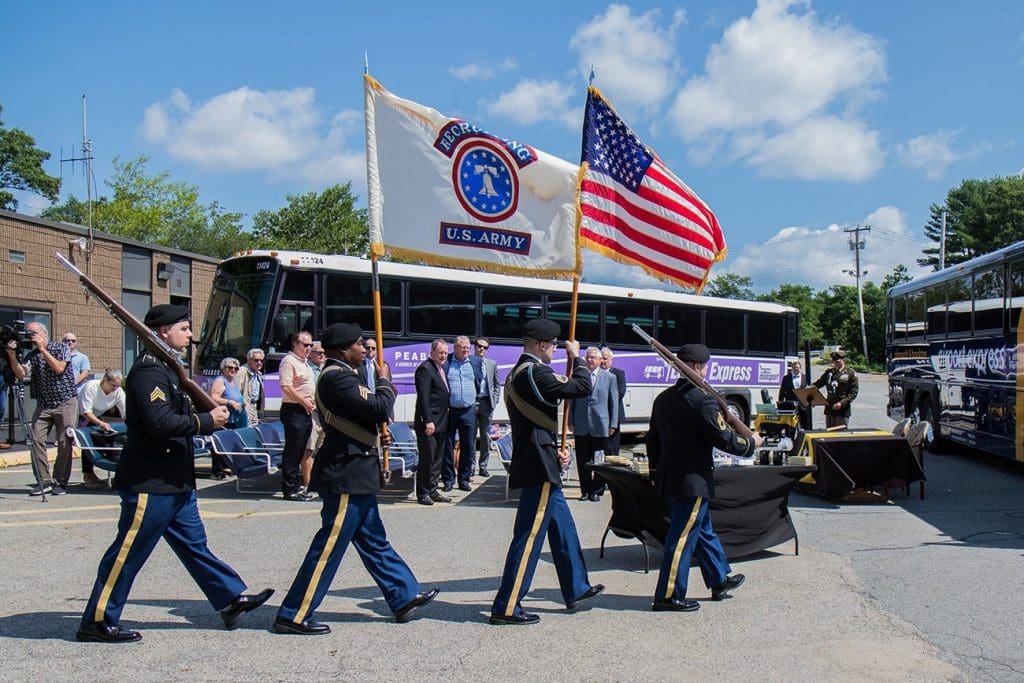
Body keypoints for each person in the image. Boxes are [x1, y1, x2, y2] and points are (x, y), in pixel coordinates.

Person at [77, 304, 273, 643]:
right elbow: (160, 423)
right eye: (184, 328)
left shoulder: (168, 369)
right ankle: (97, 619)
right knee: (128, 551)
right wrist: (206, 421)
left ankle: (228, 600)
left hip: (175, 480)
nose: (190, 334)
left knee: (195, 545)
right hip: (151, 480)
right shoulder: (149, 372)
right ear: (163, 331)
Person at [273, 323, 438, 635]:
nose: (365, 350)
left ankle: (402, 595)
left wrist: (374, 436)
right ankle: (294, 613)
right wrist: (386, 380)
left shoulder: (344, 375)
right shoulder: (338, 377)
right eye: (360, 345)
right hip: (344, 472)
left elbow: (361, 418)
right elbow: (379, 406)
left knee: (374, 540)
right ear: (343, 349)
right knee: (329, 545)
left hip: (355, 469)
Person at [490, 319, 603, 625]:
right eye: (554, 345)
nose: (556, 349)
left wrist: (555, 451)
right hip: (538, 462)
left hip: (540, 455)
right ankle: (507, 604)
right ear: (542, 346)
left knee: (562, 528)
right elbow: (582, 386)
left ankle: (576, 587)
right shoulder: (535, 371)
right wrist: (576, 357)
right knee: (528, 536)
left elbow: (539, 419)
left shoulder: (517, 372)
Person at [646, 343, 763, 613]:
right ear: (698, 367)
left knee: (703, 530)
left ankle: (719, 578)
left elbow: (653, 441)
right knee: (682, 539)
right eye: (705, 366)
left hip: (671, 478)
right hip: (692, 480)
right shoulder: (702, 399)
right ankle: (668, 594)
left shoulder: (663, 398)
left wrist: (655, 473)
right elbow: (721, 438)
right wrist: (751, 444)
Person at [6, 322, 78, 495]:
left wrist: (43, 350)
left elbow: (60, 368)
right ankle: (43, 481)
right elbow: (22, 373)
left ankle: (60, 482)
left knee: (64, 443)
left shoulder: (60, 347)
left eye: (33, 333)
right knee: (35, 440)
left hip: (65, 402)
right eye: (29, 333)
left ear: (44, 334)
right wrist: (12, 355)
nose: (30, 336)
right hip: (44, 404)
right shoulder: (32, 354)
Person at [570, 346, 618, 502]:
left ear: (599, 360)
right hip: (581, 424)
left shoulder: (609, 378)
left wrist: (613, 424)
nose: (590, 360)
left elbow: (613, 403)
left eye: (593, 357)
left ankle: (597, 490)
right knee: (582, 460)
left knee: (599, 460)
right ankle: (585, 490)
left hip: (600, 425)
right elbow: (572, 400)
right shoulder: (579, 376)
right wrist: (570, 421)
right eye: (588, 357)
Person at [413, 339, 451, 506]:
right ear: (432, 352)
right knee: (427, 459)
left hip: (442, 422)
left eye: (445, 353)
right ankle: (423, 493)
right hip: (429, 423)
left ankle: (433, 489)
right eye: (440, 352)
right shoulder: (425, 369)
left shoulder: (441, 368)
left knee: (437, 459)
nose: (443, 356)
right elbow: (424, 398)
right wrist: (428, 420)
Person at [279, 331, 316, 501]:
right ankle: (289, 490)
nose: (308, 348)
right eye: (305, 345)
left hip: (305, 410)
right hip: (294, 409)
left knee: (301, 450)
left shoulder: (305, 363)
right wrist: (304, 401)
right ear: (295, 345)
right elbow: (286, 387)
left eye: (310, 345)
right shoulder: (289, 361)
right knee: (293, 450)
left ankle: (296, 486)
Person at [442, 335, 482, 492]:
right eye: (462, 347)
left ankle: (464, 479)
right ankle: (448, 480)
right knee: (448, 446)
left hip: (468, 410)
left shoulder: (475, 362)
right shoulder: (447, 361)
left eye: (467, 347)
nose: (466, 350)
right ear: (455, 348)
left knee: (468, 446)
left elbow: (478, 382)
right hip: (450, 410)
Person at [78, 369, 127, 489]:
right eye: (113, 385)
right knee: (87, 440)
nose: (115, 388)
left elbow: (125, 412)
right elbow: (86, 411)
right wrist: (101, 423)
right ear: (105, 380)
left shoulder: (118, 391)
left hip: (97, 415)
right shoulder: (91, 387)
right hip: (81, 415)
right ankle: (88, 474)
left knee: (110, 437)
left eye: (118, 385)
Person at [209, 357, 247, 478]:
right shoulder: (220, 381)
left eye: (236, 368)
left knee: (227, 444)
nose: (233, 370)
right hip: (222, 418)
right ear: (223, 369)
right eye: (230, 368)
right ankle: (217, 471)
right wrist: (229, 402)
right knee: (218, 445)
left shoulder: (233, 382)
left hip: (233, 419)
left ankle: (226, 467)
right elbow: (213, 397)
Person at [302, 342, 328, 491]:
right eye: (318, 353)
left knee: (323, 448)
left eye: (323, 353)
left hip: (326, 414)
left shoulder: (324, 368)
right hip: (313, 413)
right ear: (311, 353)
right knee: (309, 449)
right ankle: (308, 484)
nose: (322, 355)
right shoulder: (308, 369)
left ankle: (320, 481)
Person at [474, 336, 500, 477]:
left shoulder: (492, 364)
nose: (481, 349)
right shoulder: (469, 362)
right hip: (472, 403)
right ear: (475, 346)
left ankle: (483, 467)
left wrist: (494, 401)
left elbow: (497, 384)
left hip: (486, 403)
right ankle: (470, 467)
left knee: (485, 436)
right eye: (479, 346)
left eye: (484, 347)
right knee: (471, 436)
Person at [813, 351, 859, 428]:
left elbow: (853, 393)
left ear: (843, 360)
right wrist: (808, 389)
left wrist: (841, 403)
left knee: (841, 435)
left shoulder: (850, 373)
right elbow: (819, 383)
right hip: (829, 408)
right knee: (829, 434)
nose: (835, 363)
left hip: (842, 410)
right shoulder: (829, 372)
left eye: (837, 361)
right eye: (833, 361)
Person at [601, 347, 627, 455]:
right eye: (601, 358)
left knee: (613, 447)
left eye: (605, 359)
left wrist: (601, 400)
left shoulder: (619, 374)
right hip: (598, 416)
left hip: (613, 415)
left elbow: (620, 392)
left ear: (611, 360)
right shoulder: (595, 374)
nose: (603, 361)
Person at [237, 348, 265, 426]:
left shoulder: (257, 373)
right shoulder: (242, 371)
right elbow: (236, 391)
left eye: (261, 360)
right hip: (245, 407)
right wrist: (244, 407)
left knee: (254, 431)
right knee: (246, 431)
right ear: (249, 360)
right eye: (256, 360)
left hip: (254, 407)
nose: (259, 363)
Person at [778, 360, 810, 428]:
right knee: (790, 424)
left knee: (805, 423)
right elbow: (782, 391)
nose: (796, 369)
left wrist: (810, 402)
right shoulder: (786, 378)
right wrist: (781, 402)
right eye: (794, 367)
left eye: (797, 368)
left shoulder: (805, 377)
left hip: (802, 404)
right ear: (792, 368)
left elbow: (809, 390)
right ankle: (789, 437)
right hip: (790, 403)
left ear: (800, 368)